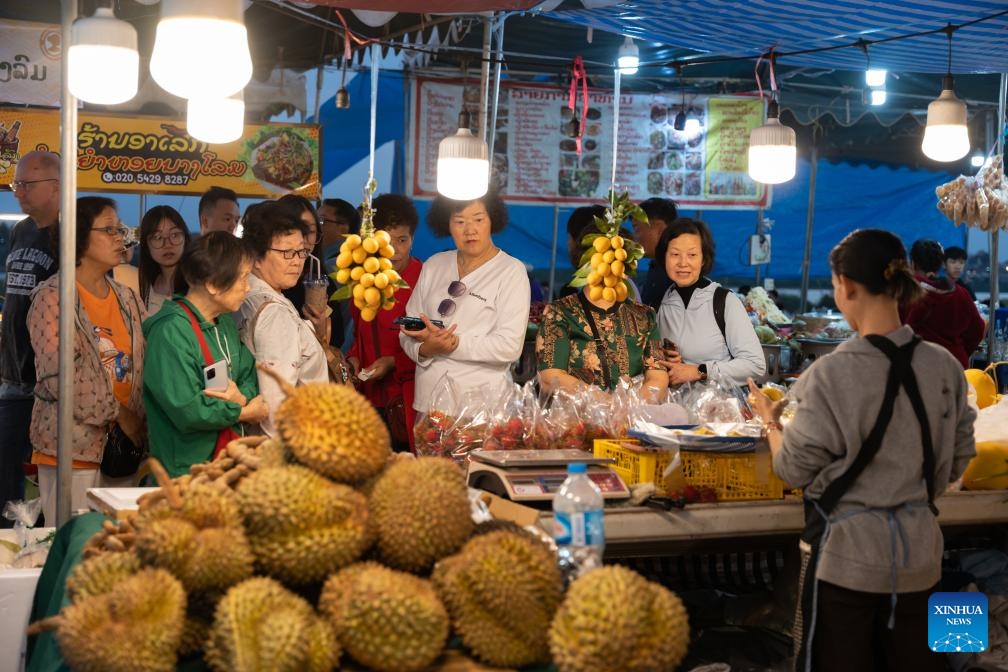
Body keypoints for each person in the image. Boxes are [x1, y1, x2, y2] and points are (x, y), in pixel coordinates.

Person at [748, 228, 976, 672]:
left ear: (846, 285)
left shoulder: (829, 374)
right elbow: (957, 464)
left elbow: (792, 469)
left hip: (846, 566)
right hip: (922, 562)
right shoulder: (946, 367)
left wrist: (770, 423)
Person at [27, 197, 147, 523]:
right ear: (78, 237)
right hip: (73, 450)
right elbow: (59, 378)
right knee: (74, 548)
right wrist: (121, 415)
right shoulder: (52, 297)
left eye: (120, 229)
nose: (120, 237)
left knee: (118, 551)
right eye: (109, 229)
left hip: (127, 448)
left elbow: (146, 361)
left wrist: (140, 418)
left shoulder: (127, 298)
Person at [142, 232, 267, 478]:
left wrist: (241, 397)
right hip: (184, 472)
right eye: (243, 277)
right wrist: (243, 412)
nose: (248, 287)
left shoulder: (225, 324)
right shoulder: (170, 332)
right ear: (212, 284)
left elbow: (249, 374)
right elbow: (187, 408)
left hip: (226, 465)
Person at [400, 189, 530, 418]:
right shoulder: (434, 265)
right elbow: (408, 329)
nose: (470, 230)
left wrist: (453, 344)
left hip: (483, 408)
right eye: (459, 221)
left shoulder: (511, 271)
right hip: (430, 404)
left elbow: (509, 346)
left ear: (492, 220)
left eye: (478, 219)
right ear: (446, 224)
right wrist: (425, 349)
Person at [237, 201, 331, 436]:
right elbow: (276, 407)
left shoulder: (245, 294)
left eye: (301, 251)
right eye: (287, 253)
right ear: (256, 256)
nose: (297, 261)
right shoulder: (274, 313)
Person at [1, 150, 60, 522]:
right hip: (12, 374)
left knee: (49, 474)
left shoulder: (72, 234)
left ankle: (38, 541)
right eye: (15, 183)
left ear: (55, 187)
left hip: (49, 382)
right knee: (5, 468)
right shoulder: (20, 230)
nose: (18, 191)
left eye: (26, 184)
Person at [346, 193, 423, 451]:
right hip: (367, 399)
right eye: (387, 241)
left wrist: (393, 362)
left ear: (412, 238)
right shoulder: (363, 279)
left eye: (402, 240)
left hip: (407, 399)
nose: (396, 250)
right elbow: (359, 333)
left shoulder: (425, 280)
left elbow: (434, 338)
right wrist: (354, 358)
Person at [656, 217, 765, 386]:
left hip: (718, 407)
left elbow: (755, 365)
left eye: (692, 255)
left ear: (704, 259)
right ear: (664, 258)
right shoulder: (663, 303)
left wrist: (700, 371)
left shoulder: (724, 301)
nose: (683, 263)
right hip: (676, 408)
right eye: (675, 254)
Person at [537, 274, 667, 399]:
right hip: (576, 418)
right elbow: (550, 377)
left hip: (634, 416)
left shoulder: (645, 315)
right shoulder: (559, 312)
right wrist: (605, 403)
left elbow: (658, 378)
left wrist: (630, 408)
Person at [902, 239, 985, 369]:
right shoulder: (961, 293)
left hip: (918, 367)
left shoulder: (906, 292)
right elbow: (978, 330)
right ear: (942, 264)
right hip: (955, 366)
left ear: (912, 264)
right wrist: (960, 351)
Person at [137, 205, 191, 314]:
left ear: (185, 238)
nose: (167, 244)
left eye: (174, 235)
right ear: (146, 245)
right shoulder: (144, 286)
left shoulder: (197, 283)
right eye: (157, 237)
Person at [636, 197, 678, 309]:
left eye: (637, 229)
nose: (634, 238)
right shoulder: (657, 265)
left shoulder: (677, 272)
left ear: (659, 229)